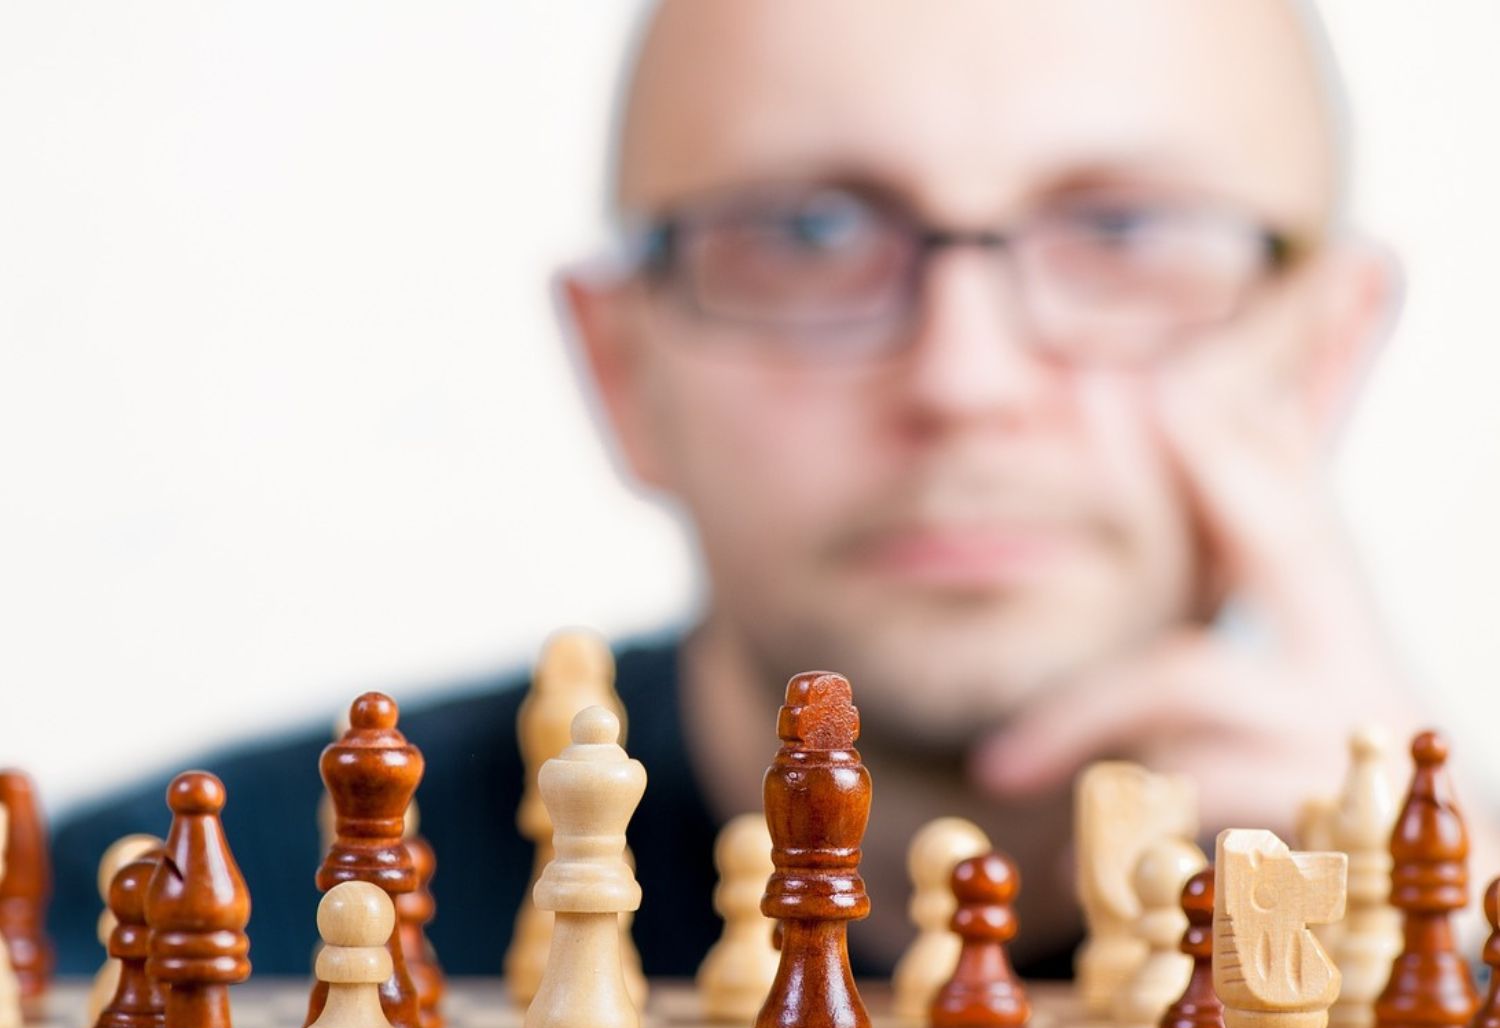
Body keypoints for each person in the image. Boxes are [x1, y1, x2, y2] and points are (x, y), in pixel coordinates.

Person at [49, 0, 1487, 978]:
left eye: (1123, 229)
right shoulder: (111, 936)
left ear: (1327, 351)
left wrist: (1453, 939)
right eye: (808, 232)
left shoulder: (1467, 946)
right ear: (622, 369)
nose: (965, 377)